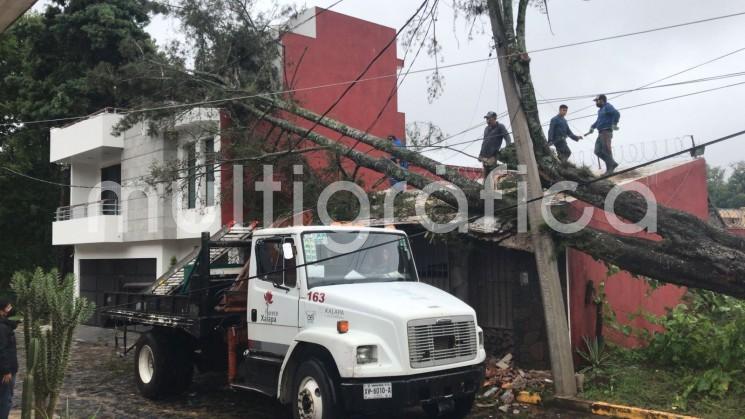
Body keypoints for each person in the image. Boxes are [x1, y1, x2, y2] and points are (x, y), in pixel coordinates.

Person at [587, 94, 621, 174]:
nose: (596, 103)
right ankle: (612, 163)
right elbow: (598, 121)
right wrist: (592, 127)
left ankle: (609, 170)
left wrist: (614, 124)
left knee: (606, 150)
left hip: (606, 132)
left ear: (601, 100)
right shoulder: (600, 110)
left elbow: (616, 113)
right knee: (597, 151)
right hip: (600, 133)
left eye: (597, 101)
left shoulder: (607, 106)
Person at [478, 111, 512, 176]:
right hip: (484, 157)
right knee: (486, 176)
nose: (487, 120)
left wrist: (506, 150)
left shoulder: (500, 127)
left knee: (491, 176)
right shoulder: (486, 129)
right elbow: (484, 143)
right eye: (486, 119)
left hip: (492, 157)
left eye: (489, 118)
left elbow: (508, 138)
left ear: (494, 118)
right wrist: (480, 154)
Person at [0, 300, 17, 419]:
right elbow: (2, 349)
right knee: (6, 399)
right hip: (5, 371)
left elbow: (13, 314)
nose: (10, 309)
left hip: (5, 368)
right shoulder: (2, 327)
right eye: (8, 307)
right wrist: (6, 371)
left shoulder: (5, 324)